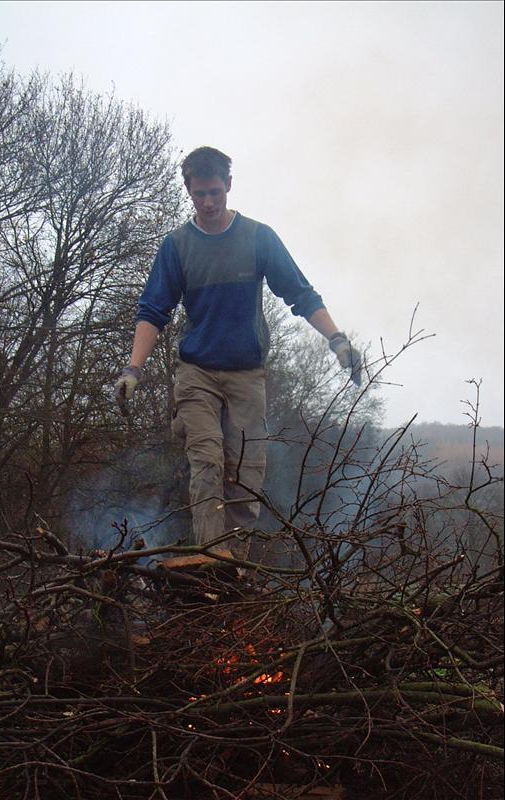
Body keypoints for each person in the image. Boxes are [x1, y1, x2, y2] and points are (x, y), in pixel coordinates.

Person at [114, 146, 361, 562]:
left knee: (245, 473)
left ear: (228, 185)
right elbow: (153, 310)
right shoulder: (177, 246)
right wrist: (132, 370)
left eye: (215, 192)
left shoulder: (258, 238)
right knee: (207, 461)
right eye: (200, 194)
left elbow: (300, 294)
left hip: (247, 374)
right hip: (197, 373)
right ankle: (212, 562)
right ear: (188, 191)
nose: (208, 203)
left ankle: (234, 569)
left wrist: (337, 340)